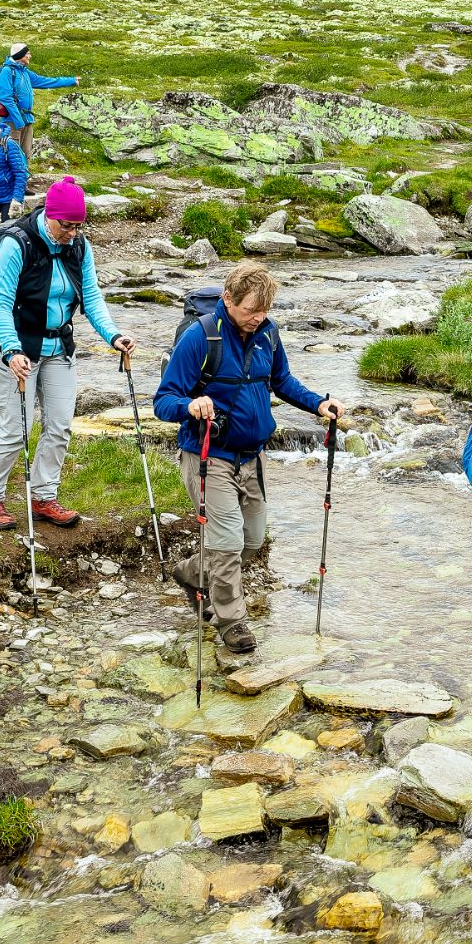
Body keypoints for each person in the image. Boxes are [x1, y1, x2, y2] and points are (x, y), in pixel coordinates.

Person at [153, 261, 341, 655]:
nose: (258, 318)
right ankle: (231, 621)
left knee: (252, 539)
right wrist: (191, 405)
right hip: (209, 455)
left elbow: (282, 381)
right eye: (251, 310)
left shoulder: (267, 334)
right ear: (228, 300)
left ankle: (191, 573)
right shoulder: (200, 338)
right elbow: (164, 400)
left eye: (264, 310)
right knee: (226, 542)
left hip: (252, 456)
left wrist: (318, 405)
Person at [0, 177, 136, 530]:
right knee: (16, 427)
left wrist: (114, 335)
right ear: (50, 215)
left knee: (59, 426)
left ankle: (43, 496)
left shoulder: (79, 247)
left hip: (58, 347)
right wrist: (12, 350)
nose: (73, 233)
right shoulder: (17, 244)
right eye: (67, 225)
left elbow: (91, 298)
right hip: (13, 350)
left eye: (79, 226)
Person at [0, 43, 78, 160]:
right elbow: (5, 98)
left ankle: (24, 178)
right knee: (11, 156)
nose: (30, 56)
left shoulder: (25, 72)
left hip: (26, 120)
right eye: (27, 53)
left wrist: (71, 80)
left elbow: (46, 81)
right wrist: (18, 121)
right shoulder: (7, 72)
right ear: (20, 55)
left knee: (26, 155)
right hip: (12, 122)